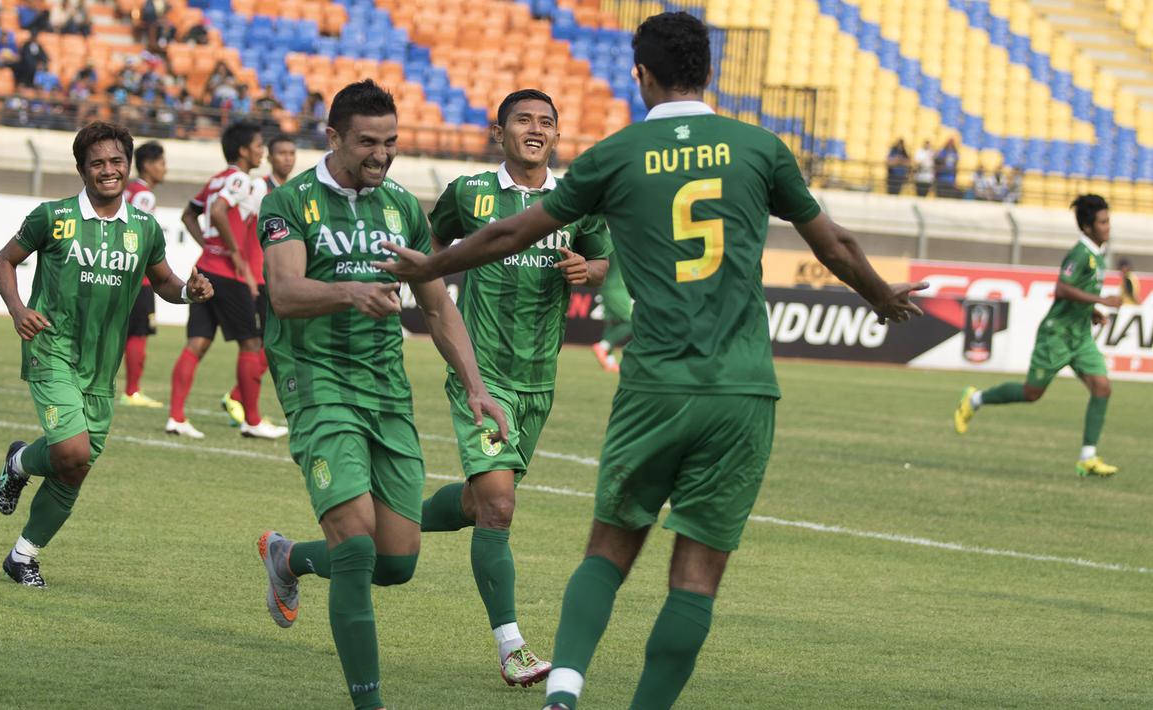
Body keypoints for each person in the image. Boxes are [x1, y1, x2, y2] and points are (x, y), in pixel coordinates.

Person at [372, 13, 926, 710]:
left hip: (655, 385)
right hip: (743, 390)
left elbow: (513, 231)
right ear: (709, 72)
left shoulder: (616, 155)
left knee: (606, 552)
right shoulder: (759, 148)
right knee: (694, 576)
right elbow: (836, 246)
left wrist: (434, 262)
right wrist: (879, 297)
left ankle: (563, 694)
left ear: (639, 73)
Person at [251, 79, 508, 710]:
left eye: (390, 142)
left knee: (396, 561)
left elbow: (438, 304)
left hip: (387, 392)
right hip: (317, 386)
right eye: (368, 142)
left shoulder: (402, 207)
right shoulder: (289, 202)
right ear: (333, 136)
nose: (382, 154)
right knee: (357, 542)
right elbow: (283, 292)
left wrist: (476, 388)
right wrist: (349, 291)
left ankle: (288, 559)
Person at [411, 88, 612, 686]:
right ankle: (512, 647)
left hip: (538, 378)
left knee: (477, 505)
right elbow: (427, 249)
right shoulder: (470, 194)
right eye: (522, 120)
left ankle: (384, 519)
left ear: (556, 134)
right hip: (480, 373)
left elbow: (604, 260)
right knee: (498, 507)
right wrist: (434, 302)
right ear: (498, 132)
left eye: (546, 122)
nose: (535, 128)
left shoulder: (577, 199)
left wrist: (588, 268)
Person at [0, 121, 213, 588]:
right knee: (71, 450)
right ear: (82, 169)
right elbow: (4, 260)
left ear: (127, 166)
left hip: (100, 366)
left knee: (76, 467)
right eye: (98, 163)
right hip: (51, 348)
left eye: (116, 161)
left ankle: (23, 552)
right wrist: (17, 310)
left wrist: (190, 292)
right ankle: (21, 465)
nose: (108, 170)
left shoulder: (146, 228)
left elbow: (166, 283)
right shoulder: (52, 217)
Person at [955, 195, 1120, 477]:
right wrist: (1101, 300)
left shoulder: (1097, 255)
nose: (1108, 226)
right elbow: (1062, 289)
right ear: (1088, 227)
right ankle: (974, 399)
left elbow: (1076, 294)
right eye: (1102, 222)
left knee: (1102, 388)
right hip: (1055, 335)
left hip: (1079, 337)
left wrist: (1091, 310)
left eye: (1108, 220)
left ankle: (1087, 457)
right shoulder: (1080, 253)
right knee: (1032, 393)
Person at [166, 121, 287, 440]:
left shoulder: (218, 178)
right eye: (259, 145)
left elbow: (189, 214)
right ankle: (252, 420)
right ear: (244, 150)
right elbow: (219, 211)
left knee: (197, 343)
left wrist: (209, 248)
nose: (262, 151)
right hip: (228, 275)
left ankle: (176, 417)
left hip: (205, 270)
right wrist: (233, 255)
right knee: (251, 343)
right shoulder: (238, 179)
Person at [221, 133, 296, 425]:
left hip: (281, 278)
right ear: (270, 157)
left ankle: (239, 397)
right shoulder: (257, 189)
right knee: (266, 344)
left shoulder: (294, 191)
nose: (287, 158)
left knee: (277, 344)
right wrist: (248, 272)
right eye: (281, 153)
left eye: (292, 153)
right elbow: (241, 229)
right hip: (258, 277)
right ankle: (241, 401)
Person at [119, 141, 167, 408]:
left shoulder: (127, 190)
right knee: (138, 333)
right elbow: (140, 234)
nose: (165, 169)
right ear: (148, 166)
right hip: (139, 277)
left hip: (119, 273)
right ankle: (132, 391)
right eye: (161, 163)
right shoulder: (144, 196)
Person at [591, 258, 631, 372]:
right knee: (631, 322)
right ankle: (603, 346)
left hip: (608, 287)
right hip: (616, 288)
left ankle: (609, 361)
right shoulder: (614, 242)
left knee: (612, 323)